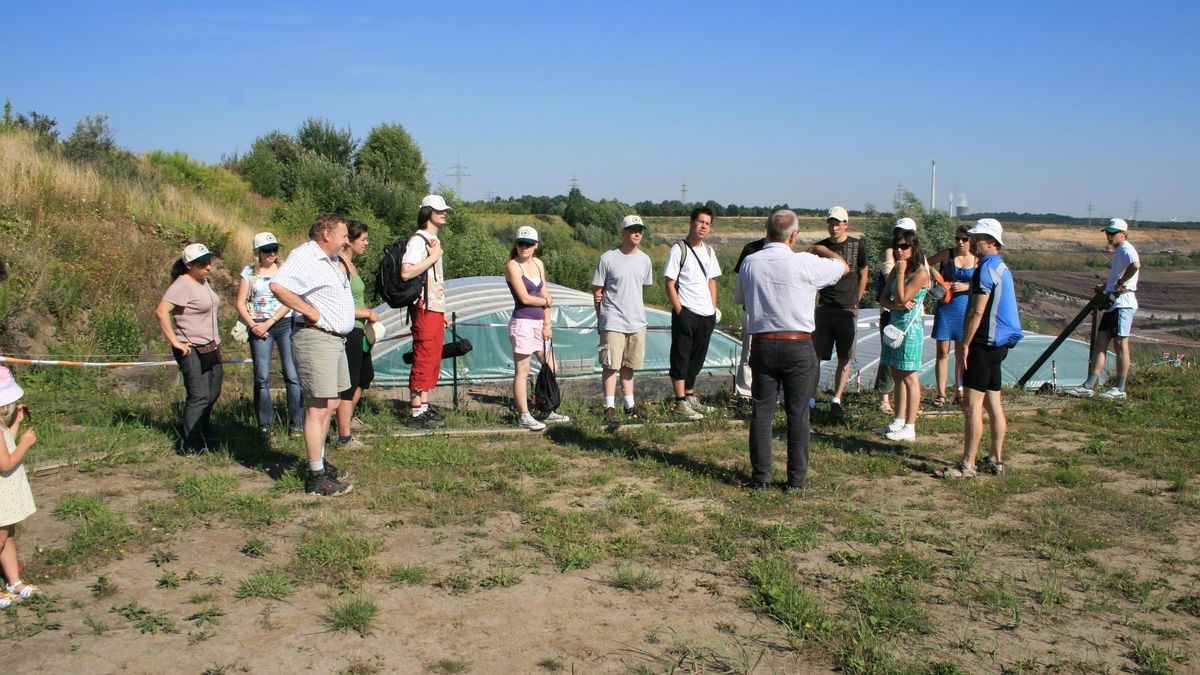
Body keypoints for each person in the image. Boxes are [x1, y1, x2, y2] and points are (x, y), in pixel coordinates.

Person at [735, 209, 847, 490]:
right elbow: (843, 267)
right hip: (797, 344)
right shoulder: (806, 262)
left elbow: (741, 298)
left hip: (763, 342)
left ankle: (761, 477)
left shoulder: (750, 262)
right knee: (798, 413)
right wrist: (823, 249)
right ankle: (796, 480)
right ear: (794, 236)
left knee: (762, 412)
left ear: (767, 231)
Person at [269, 213, 355, 497]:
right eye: (344, 235)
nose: (347, 241)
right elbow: (278, 285)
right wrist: (309, 311)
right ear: (326, 234)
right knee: (317, 408)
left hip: (333, 340)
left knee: (329, 403)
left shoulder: (330, 260)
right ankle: (315, 477)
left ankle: (319, 461)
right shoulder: (305, 256)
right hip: (316, 338)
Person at [939, 218, 1023, 478]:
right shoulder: (1001, 267)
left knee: (972, 405)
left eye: (977, 238)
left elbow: (977, 310)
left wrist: (964, 344)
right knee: (994, 402)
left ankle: (968, 464)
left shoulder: (985, 269)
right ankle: (996, 459)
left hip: (984, 342)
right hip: (999, 344)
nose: (972, 242)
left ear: (991, 242)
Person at [155, 243, 223, 455]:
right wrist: (175, 342)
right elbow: (161, 311)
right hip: (191, 348)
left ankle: (202, 431)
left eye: (209, 261)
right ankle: (189, 444)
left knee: (213, 391)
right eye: (202, 264)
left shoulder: (204, 282)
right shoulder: (182, 284)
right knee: (199, 395)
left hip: (210, 346)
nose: (208, 267)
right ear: (188, 266)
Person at [236, 232, 304, 437]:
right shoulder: (248, 273)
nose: (272, 253)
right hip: (257, 325)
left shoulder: (284, 270)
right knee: (261, 376)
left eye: (275, 249)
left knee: (292, 375)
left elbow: (291, 299)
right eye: (267, 250)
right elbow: (240, 302)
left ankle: (297, 423)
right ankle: (265, 422)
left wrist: (269, 322)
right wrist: (254, 325)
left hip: (284, 323)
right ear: (257, 253)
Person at [505, 225, 570, 430]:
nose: (523, 247)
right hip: (522, 322)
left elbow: (545, 293)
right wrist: (545, 301)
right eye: (520, 243)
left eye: (528, 244)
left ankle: (546, 408)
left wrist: (547, 323)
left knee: (552, 366)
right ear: (515, 245)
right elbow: (525, 297)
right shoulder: (513, 266)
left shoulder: (539, 264)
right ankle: (523, 415)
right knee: (522, 372)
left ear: (536, 246)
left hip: (539, 323)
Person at [592, 215, 655, 425]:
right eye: (633, 229)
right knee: (610, 365)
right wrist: (601, 318)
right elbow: (597, 290)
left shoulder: (645, 260)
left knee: (630, 364)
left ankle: (630, 405)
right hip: (613, 320)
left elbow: (640, 289)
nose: (637, 233)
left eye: (640, 230)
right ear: (623, 232)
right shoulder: (607, 258)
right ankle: (609, 406)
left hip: (637, 320)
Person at [1070, 218, 1141, 401]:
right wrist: (1106, 287)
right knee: (1101, 343)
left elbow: (1135, 265)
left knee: (1120, 345)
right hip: (1114, 304)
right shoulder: (1120, 251)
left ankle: (1120, 388)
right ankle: (1089, 385)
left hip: (1122, 304)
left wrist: (1120, 282)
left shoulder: (1126, 249)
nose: (1109, 236)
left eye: (1113, 233)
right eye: (1108, 233)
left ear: (1123, 234)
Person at [664, 206, 722, 420]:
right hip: (686, 311)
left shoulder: (708, 251)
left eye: (708, 223)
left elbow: (712, 280)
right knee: (681, 356)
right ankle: (680, 402)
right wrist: (680, 311)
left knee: (697, 358)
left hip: (705, 314)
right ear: (691, 222)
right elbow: (669, 282)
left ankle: (689, 395)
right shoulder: (679, 249)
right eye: (700, 221)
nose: (704, 226)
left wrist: (712, 308)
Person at [812, 206, 869, 418]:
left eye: (838, 223)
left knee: (845, 356)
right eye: (831, 223)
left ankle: (837, 398)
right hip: (825, 307)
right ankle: (810, 398)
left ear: (846, 224)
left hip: (847, 308)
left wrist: (857, 299)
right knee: (816, 355)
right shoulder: (821, 247)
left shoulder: (857, 245)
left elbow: (864, 272)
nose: (834, 227)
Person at [401, 195, 451, 428]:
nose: (444, 213)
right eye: (439, 210)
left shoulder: (432, 240)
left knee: (431, 357)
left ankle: (424, 407)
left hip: (434, 307)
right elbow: (406, 272)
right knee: (423, 356)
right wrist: (433, 257)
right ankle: (416, 412)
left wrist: (442, 311)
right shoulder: (418, 241)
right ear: (427, 212)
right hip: (423, 307)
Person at [877, 228, 929, 442]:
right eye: (896, 246)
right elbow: (884, 300)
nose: (899, 250)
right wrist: (896, 304)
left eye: (904, 246)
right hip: (895, 326)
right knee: (896, 374)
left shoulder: (920, 273)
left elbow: (900, 297)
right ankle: (898, 420)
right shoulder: (898, 269)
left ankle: (910, 425)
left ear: (914, 248)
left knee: (909, 376)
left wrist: (899, 275)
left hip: (910, 330)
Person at [333, 220, 379, 451]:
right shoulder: (339, 266)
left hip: (360, 330)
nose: (367, 243)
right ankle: (344, 436)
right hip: (350, 328)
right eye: (363, 239)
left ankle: (346, 418)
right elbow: (337, 305)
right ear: (349, 241)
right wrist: (367, 312)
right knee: (348, 383)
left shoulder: (351, 265)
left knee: (364, 377)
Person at [0, 367, 39, 607]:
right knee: (1, 539)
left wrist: (16, 424)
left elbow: (6, 444)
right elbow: (5, 463)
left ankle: (14, 581)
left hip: (6, 494)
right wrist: (26, 444)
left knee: (8, 537)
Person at [927, 225, 978, 407]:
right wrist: (938, 278)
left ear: (971, 240)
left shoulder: (977, 260)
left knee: (961, 352)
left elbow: (983, 285)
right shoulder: (947, 255)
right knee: (942, 352)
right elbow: (926, 262)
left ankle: (960, 390)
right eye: (957, 238)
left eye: (964, 239)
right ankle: (941, 393)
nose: (960, 242)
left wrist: (967, 287)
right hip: (946, 307)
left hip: (965, 309)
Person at [871, 218, 916, 415]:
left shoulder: (916, 258)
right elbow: (890, 273)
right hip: (891, 313)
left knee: (906, 362)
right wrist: (902, 295)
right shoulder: (891, 253)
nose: (902, 240)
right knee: (889, 357)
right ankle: (885, 398)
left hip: (910, 316)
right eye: (899, 232)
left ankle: (904, 403)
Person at [732, 233, 767, 416]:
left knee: (769, 355)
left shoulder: (786, 251)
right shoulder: (751, 249)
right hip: (751, 310)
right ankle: (745, 395)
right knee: (749, 354)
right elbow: (740, 281)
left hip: (774, 313)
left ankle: (766, 393)